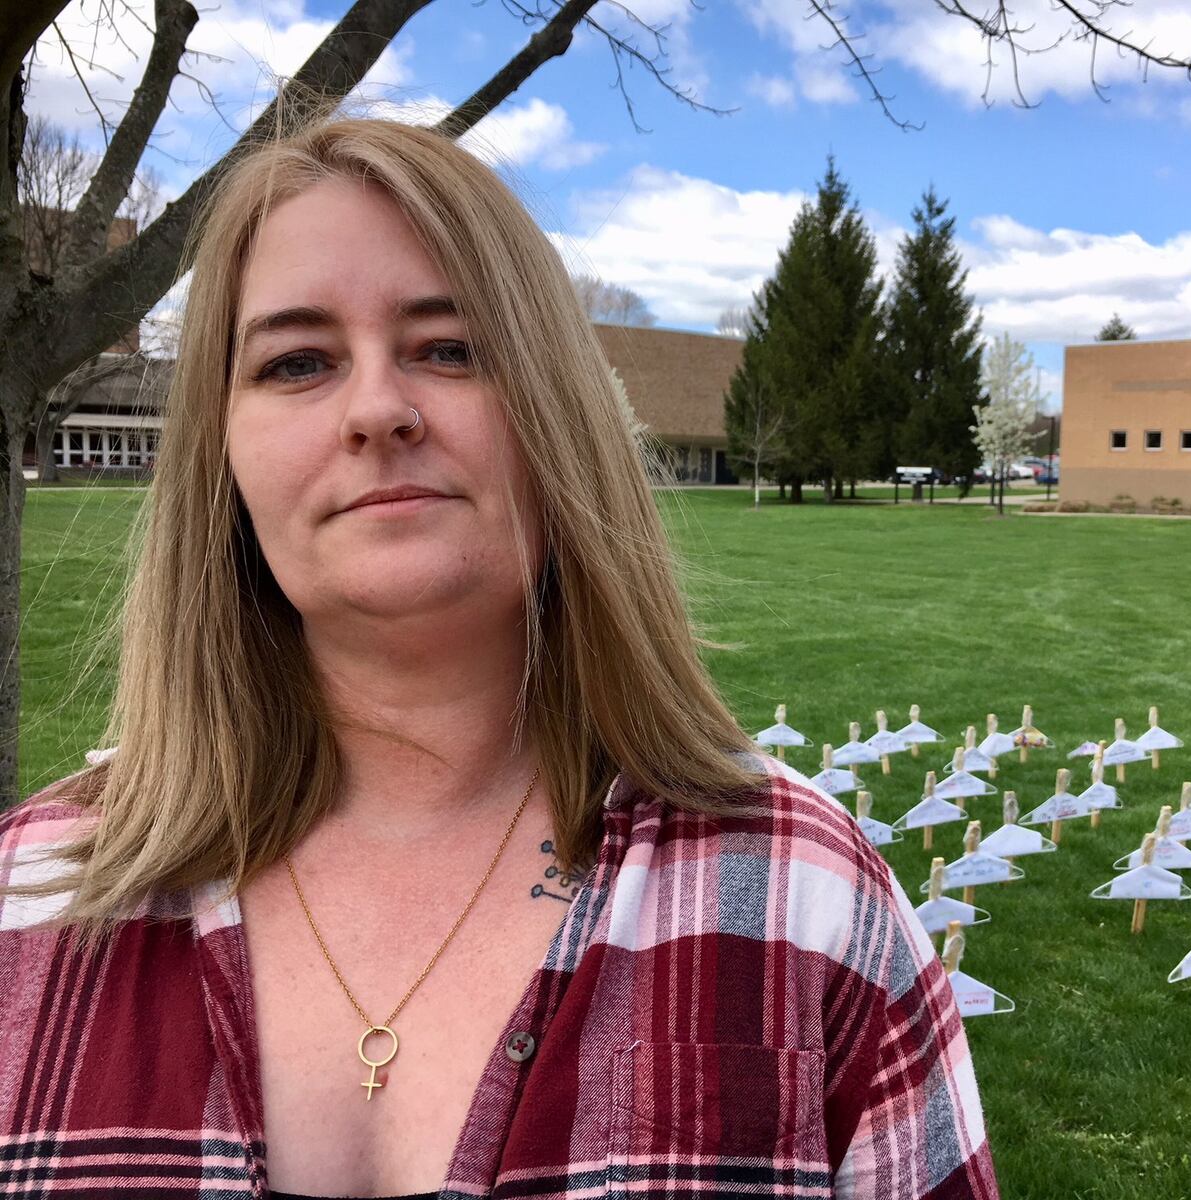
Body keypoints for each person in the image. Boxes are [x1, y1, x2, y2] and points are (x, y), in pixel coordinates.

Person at [0, 111, 997, 1198]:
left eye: (450, 349)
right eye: (296, 362)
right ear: (221, 456)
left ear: (554, 418)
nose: (378, 408)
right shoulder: (24, 902)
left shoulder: (801, 898)